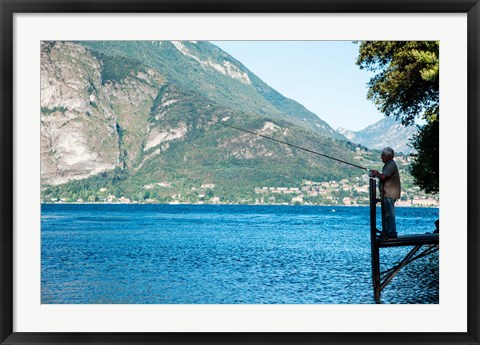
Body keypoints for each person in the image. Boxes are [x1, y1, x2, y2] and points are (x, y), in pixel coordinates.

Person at [371, 147, 401, 239]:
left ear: (389, 156)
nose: (381, 157)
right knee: (386, 214)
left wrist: (376, 174)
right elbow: (383, 176)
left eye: (383, 155)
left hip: (390, 193)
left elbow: (384, 177)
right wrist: (377, 173)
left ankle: (391, 233)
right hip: (387, 193)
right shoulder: (389, 165)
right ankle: (387, 232)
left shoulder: (391, 165)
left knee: (389, 214)